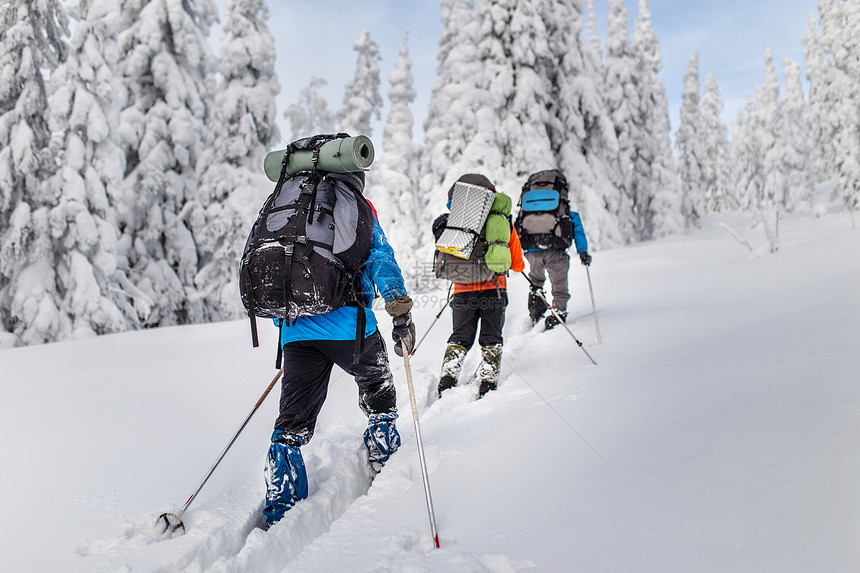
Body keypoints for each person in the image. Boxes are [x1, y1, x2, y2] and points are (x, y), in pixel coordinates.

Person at [262, 170, 415, 528]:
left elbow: (278, 275)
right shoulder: (356, 207)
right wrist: (400, 313)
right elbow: (379, 258)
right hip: (350, 325)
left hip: (296, 329)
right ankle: (384, 457)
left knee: (291, 424)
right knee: (378, 389)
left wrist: (288, 328)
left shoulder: (289, 210)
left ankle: (281, 505)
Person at [433, 174, 525, 399]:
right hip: (494, 288)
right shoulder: (501, 224)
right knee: (491, 336)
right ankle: (488, 381)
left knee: (460, 335)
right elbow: (516, 263)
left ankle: (447, 378)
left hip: (462, 289)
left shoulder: (452, 223)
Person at [515, 170, 591, 330]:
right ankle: (559, 311)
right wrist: (582, 250)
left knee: (535, 279)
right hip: (556, 250)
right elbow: (577, 228)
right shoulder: (564, 210)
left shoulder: (530, 208)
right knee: (559, 283)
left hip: (532, 249)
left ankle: (536, 308)